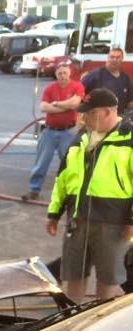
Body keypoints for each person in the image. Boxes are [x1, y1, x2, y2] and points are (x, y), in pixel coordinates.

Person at [46, 88, 133, 304]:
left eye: (89, 113)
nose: (83, 118)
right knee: (72, 275)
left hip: (113, 224)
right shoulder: (82, 137)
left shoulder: (128, 139)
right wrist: (54, 212)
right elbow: (63, 177)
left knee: (109, 280)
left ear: (106, 112)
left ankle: (102, 327)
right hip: (78, 220)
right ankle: (69, 318)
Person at [23, 63, 85, 202]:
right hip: (50, 131)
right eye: (60, 73)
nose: (62, 76)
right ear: (56, 74)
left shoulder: (77, 86)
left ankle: (71, 192)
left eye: (65, 73)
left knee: (70, 163)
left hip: (68, 132)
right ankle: (34, 190)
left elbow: (75, 103)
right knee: (41, 163)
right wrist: (65, 106)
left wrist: (56, 104)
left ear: (69, 73)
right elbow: (44, 107)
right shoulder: (50, 88)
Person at [81, 46, 133, 112]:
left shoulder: (125, 79)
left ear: (122, 59)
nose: (114, 60)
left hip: (118, 118)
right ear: (107, 58)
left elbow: (129, 102)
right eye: (112, 57)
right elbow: (79, 92)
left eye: (117, 57)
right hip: (98, 117)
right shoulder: (95, 74)